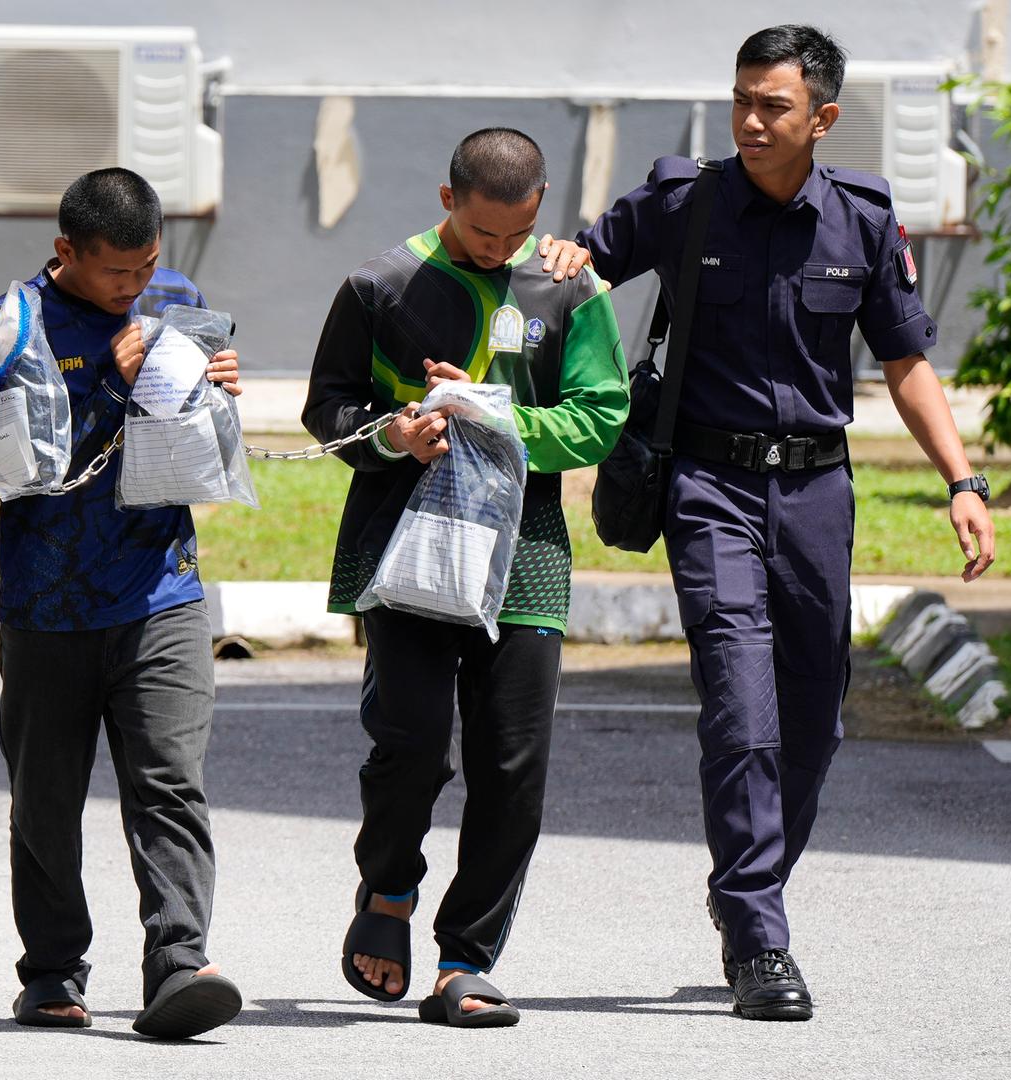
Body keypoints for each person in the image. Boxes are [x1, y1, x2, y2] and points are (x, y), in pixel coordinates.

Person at [537, 25, 994, 1021]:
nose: (750, 120)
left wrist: (963, 483)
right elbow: (572, 275)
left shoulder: (863, 222)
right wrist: (561, 268)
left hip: (820, 495)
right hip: (710, 485)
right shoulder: (681, 201)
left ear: (821, 118)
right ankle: (759, 935)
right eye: (742, 99)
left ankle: (750, 882)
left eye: (773, 105)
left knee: (812, 721)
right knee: (741, 707)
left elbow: (909, 361)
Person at [303, 128, 629, 1028]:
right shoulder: (379, 286)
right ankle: (389, 893)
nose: (501, 252)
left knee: (513, 766)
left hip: (523, 558)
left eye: (517, 233)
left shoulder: (570, 285)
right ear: (448, 200)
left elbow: (601, 418)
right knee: (407, 741)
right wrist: (393, 434)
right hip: (405, 548)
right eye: (485, 236)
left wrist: (499, 421)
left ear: (541, 206)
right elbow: (326, 406)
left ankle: (465, 958)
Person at [0, 167, 245, 1040]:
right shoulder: (15, 318)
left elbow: (199, 447)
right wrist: (104, 375)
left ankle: (179, 959)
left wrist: (214, 391)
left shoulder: (176, 299)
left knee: (170, 783)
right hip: (47, 601)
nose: (134, 288)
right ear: (67, 252)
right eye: (114, 274)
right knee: (45, 800)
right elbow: (7, 458)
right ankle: (53, 971)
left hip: (162, 589)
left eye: (145, 268)